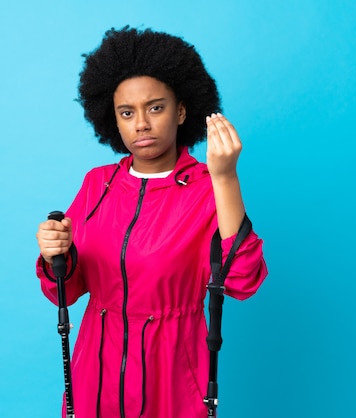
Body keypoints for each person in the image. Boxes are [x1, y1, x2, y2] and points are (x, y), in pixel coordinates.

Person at [36, 26, 268, 418]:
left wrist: (225, 177)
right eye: (127, 113)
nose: (141, 123)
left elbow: (243, 280)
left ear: (180, 110)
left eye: (155, 107)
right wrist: (54, 253)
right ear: (114, 119)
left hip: (173, 373)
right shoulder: (97, 185)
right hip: (96, 369)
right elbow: (67, 290)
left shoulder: (206, 189)